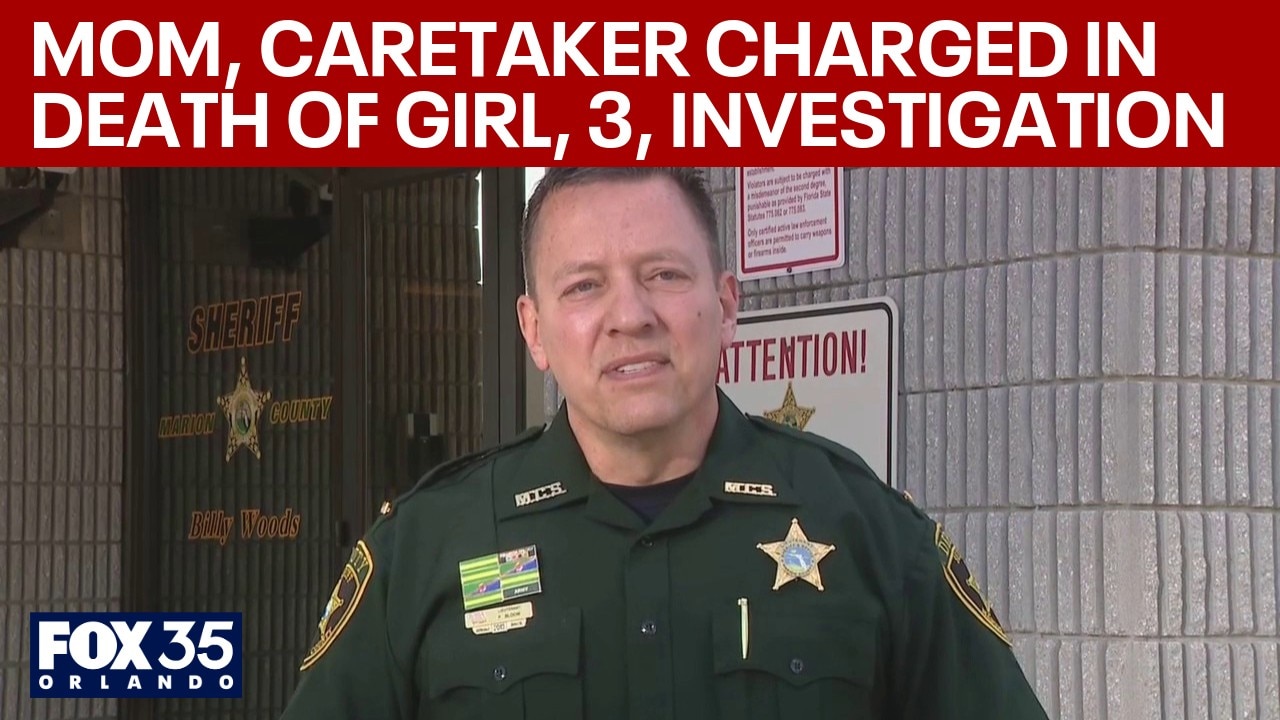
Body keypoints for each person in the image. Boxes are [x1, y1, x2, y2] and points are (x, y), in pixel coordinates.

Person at [278, 167, 1050, 719]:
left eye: (664, 275)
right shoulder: (425, 549)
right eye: (584, 286)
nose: (631, 316)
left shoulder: (868, 533)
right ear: (534, 331)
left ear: (726, 304)